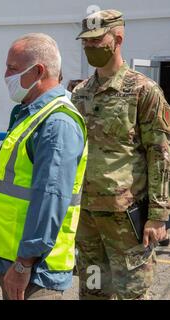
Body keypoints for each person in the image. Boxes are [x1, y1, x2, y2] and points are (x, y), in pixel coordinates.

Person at [0, 33, 88, 300]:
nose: (5, 75)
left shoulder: (57, 123)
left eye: (12, 68)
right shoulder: (31, 114)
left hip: (35, 271)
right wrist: (1, 257)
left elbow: (50, 199)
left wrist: (22, 263)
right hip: (14, 259)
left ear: (38, 71)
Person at [72, 9, 169, 300]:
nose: (90, 47)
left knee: (133, 295)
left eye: (97, 40)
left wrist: (158, 215)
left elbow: (160, 153)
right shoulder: (79, 94)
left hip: (126, 220)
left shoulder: (144, 91)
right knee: (92, 291)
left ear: (118, 39)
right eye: (85, 42)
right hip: (87, 218)